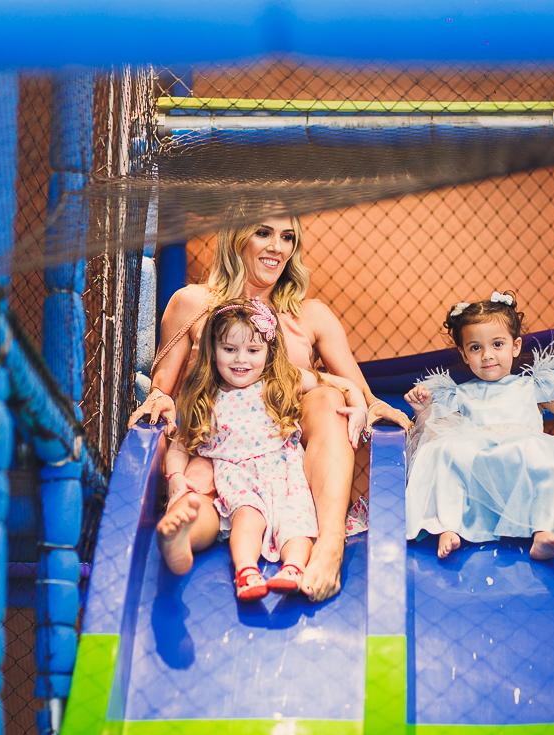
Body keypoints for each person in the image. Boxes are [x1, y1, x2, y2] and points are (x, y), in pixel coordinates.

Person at [129, 217, 411, 601]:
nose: (278, 247)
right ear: (237, 238)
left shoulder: (311, 315)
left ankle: (330, 545)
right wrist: (159, 398)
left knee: (328, 399)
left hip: (283, 458)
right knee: (197, 504)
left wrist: (371, 406)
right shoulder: (192, 304)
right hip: (217, 450)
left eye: (287, 237)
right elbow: (162, 386)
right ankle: (181, 536)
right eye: (263, 232)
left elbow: (353, 387)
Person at [403, 291, 554, 561]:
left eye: (497, 344)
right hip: (481, 466)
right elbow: (437, 434)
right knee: (442, 452)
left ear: (515, 346)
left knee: (543, 455)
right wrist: (423, 411)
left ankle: (543, 532)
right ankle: (449, 527)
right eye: (475, 348)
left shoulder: (533, 385)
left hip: (522, 460)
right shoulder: (459, 394)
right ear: (464, 354)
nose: (487, 355)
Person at [160, 299, 367, 599]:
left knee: (297, 522)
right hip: (237, 478)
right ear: (212, 350)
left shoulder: (280, 380)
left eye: (253, 351)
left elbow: (342, 385)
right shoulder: (204, 395)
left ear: (269, 351)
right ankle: (245, 571)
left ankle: (293, 568)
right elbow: (180, 444)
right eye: (229, 349)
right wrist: (176, 475)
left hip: (284, 473)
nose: (240, 359)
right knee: (247, 518)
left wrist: (360, 409)